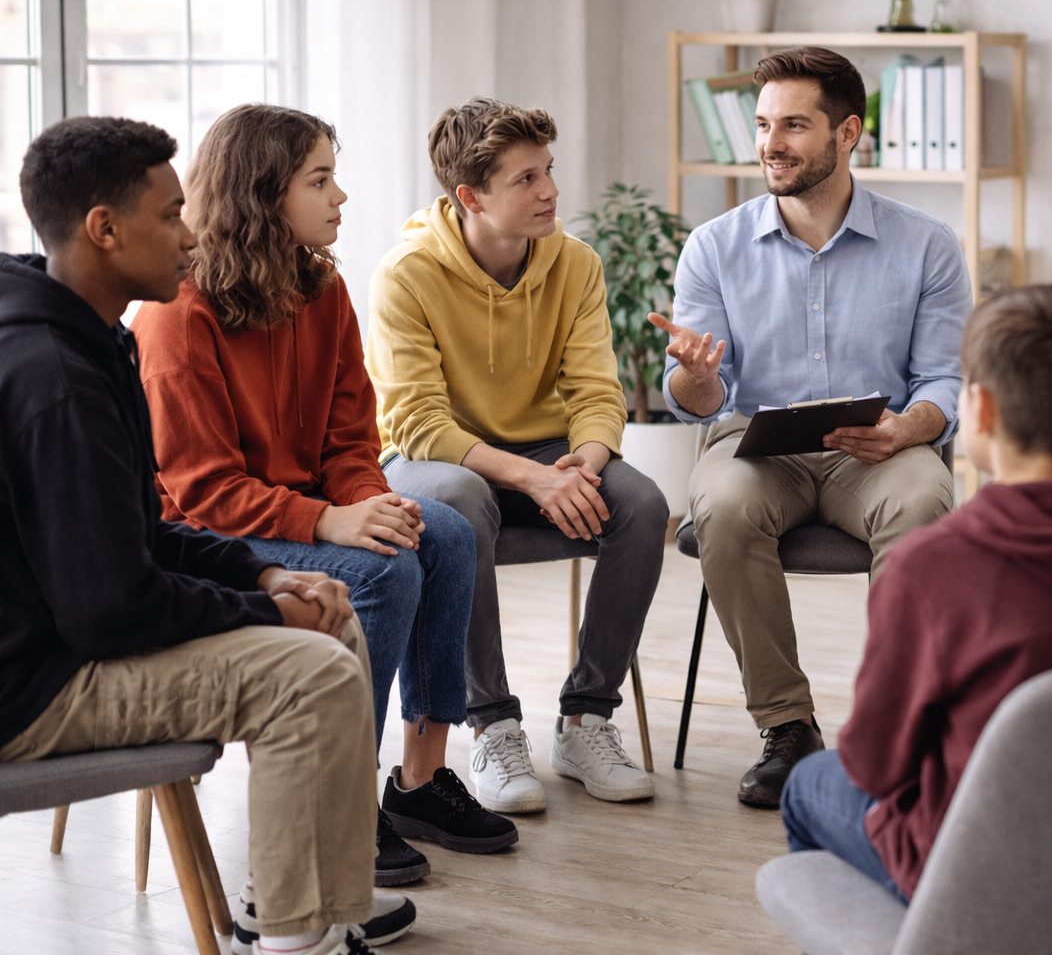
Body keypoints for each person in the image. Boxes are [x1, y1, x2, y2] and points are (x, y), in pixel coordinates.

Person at [0, 115, 383, 955]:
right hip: (30, 690)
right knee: (309, 676)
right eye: (171, 215)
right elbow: (110, 610)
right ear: (105, 229)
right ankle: (292, 938)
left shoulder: (90, 339)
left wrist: (265, 577)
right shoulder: (56, 376)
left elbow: (145, 528)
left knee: (334, 618)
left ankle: (316, 909)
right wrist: (261, 614)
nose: (189, 233)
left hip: (68, 644)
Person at [132, 105, 514, 902]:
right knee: (382, 576)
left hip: (298, 510)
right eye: (320, 179)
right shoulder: (178, 311)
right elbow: (201, 490)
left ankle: (417, 781)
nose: (341, 196)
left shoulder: (321, 286)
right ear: (262, 194)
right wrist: (332, 522)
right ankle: (335, 800)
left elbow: (350, 438)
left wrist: (376, 505)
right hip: (207, 534)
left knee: (437, 532)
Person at [779, 285, 1052, 899]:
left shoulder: (933, 566)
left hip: (981, 874)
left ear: (978, 411)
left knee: (808, 785)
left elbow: (874, 764)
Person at [650, 46, 972, 808]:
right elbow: (702, 394)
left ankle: (897, 726)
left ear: (848, 133)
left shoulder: (927, 244)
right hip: (757, 446)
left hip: (881, 444)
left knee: (925, 504)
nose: (770, 142)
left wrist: (909, 427)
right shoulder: (714, 246)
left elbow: (945, 381)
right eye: (763, 124)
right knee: (722, 504)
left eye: (794, 124)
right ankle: (787, 727)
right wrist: (695, 380)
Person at [367, 98, 665, 811]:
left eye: (549, 171)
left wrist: (584, 464)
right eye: (526, 179)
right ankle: (493, 726)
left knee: (644, 504)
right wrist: (532, 476)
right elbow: (417, 422)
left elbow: (596, 391)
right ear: (470, 196)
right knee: (461, 504)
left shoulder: (575, 265)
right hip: (431, 458)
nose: (550, 192)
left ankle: (585, 718)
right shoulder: (406, 274)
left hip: (549, 451)